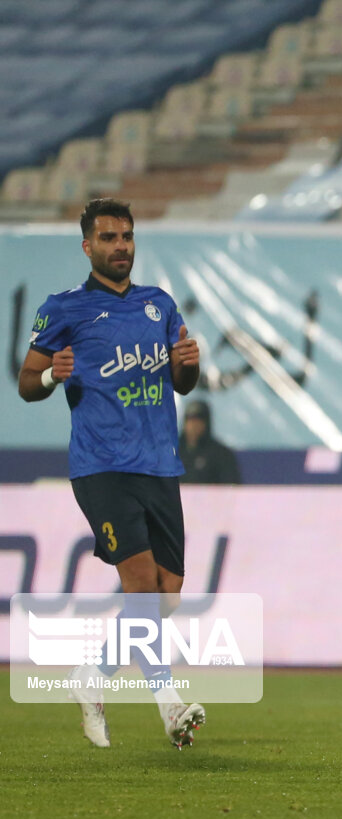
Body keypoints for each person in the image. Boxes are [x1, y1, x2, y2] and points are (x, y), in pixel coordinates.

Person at [17, 197, 207, 749]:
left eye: (126, 237)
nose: (120, 246)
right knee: (142, 583)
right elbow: (27, 382)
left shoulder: (159, 305)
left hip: (159, 464)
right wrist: (52, 374)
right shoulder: (65, 308)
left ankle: (92, 676)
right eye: (108, 238)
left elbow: (182, 385)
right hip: (102, 466)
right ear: (87, 246)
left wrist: (186, 368)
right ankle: (171, 706)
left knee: (166, 594)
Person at [179, 399, 241, 484]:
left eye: (198, 421)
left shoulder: (221, 454)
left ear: (206, 424)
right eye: (190, 420)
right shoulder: (172, 452)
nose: (193, 425)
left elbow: (231, 486)